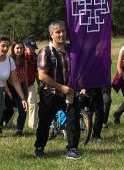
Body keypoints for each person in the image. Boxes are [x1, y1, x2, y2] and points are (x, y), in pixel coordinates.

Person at [35, 21, 82, 160]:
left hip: (69, 92)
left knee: (73, 119)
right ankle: (39, 146)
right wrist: (61, 87)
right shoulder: (46, 52)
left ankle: (72, 148)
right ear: (51, 34)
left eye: (63, 31)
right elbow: (42, 75)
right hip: (50, 93)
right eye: (58, 32)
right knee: (45, 121)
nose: (61, 34)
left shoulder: (71, 50)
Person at [9, 41, 29, 135]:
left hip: (20, 87)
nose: (19, 50)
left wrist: (27, 88)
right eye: (17, 48)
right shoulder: (9, 60)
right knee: (5, 109)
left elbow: (25, 75)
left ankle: (19, 129)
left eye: (21, 48)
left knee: (23, 109)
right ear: (13, 49)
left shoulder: (24, 61)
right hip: (9, 87)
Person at [24, 39, 39, 129]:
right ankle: (9, 124)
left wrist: (39, 84)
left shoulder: (35, 57)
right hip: (20, 84)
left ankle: (32, 125)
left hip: (30, 84)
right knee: (16, 106)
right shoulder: (21, 56)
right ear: (26, 47)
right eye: (30, 48)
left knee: (33, 104)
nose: (32, 50)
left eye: (34, 48)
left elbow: (37, 72)